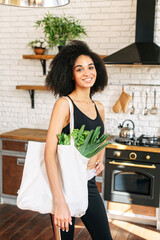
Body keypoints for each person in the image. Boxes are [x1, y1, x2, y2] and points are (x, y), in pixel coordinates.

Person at [44, 40, 112, 240]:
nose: (87, 72)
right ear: (71, 74)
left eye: (91, 67)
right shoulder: (64, 105)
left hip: (88, 183)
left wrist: (100, 156)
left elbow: (99, 139)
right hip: (64, 186)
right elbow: (49, 154)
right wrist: (59, 202)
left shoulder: (99, 107)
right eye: (79, 69)